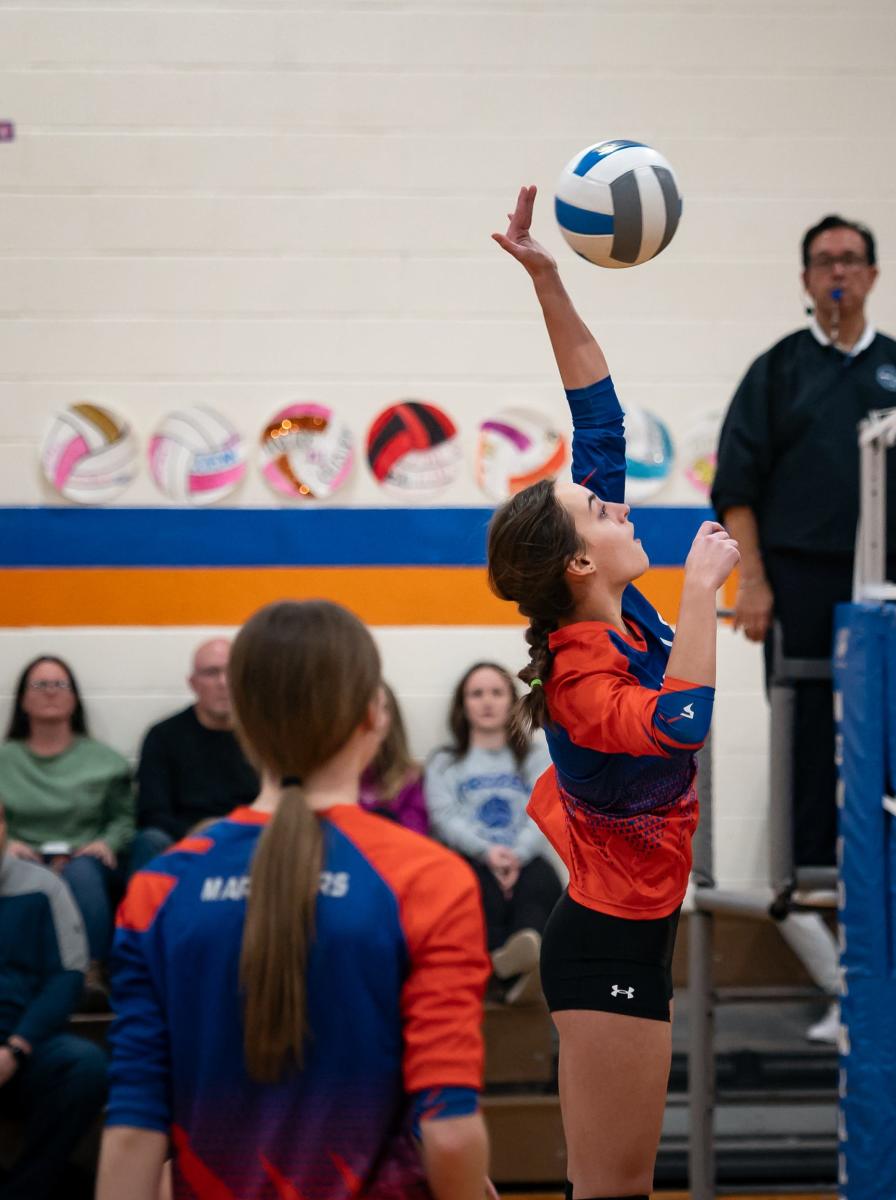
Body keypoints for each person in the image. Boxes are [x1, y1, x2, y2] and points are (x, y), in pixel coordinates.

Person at [486, 186, 739, 1200]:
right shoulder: (587, 678)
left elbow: (599, 409)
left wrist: (547, 276)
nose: (612, 499)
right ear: (580, 564)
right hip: (606, 952)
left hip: (635, 933)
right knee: (613, 1196)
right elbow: (683, 725)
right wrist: (706, 591)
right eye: (597, 505)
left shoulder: (606, 607)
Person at [97, 600, 491, 1200]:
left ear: (244, 723)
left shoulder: (161, 887)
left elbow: (132, 1132)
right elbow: (451, 1131)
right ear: (373, 715)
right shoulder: (428, 877)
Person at [711, 213, 896, 1042]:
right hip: (800, 586)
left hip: (890, 589)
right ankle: (840, 979)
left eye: (851, 259)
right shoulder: (777, 372)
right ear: (807, 276)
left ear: (875, 274)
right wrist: (754, 583)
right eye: (824, 261)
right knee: (807, 758)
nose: (838, 272)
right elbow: (736, 486)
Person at [0, 655, 134, 1001]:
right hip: (18, 856)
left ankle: (90, 973)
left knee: (84, 874)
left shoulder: (106, 760)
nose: (50, 693)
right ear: (22, 700)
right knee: (21, 875)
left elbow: (124, 817)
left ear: (74, 698)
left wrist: (107, 841)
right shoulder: (5, 760)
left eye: (60, 684)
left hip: (85, 857)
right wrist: (8, 842)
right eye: (39, 685)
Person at [425, 662, 560, 1002]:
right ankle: (506, 970)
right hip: (472, 857)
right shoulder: (445, 761)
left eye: (497, 693)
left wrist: (517, 854)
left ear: (512, 703)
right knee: (472, 886)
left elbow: (544, 808)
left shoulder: (536, 754)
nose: (487, 702)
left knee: (542, 880)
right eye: (477, 693)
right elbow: (444, 817)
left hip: (523, 855)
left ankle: (519, 957)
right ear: (463, 705)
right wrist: (488, 853)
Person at [0, 802, 108, 1198]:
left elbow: (67, 976)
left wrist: (15, 1048)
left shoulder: (44, 886)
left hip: (26, 1043)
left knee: (86, 1066)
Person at [131, 637, 259, 872]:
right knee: (149, 840)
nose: (223, 682)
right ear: (193, 683)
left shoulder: (264, 736)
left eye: (232, 672)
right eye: (212, 673)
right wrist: (199, 831)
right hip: (185, 841)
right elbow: (151, 812)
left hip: (252, 838)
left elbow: (283, 801)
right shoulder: (164, 736)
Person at [359, 683, 429, 834]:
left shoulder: (411, 777)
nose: (375, 717)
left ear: (393, 719)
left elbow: (415, 835)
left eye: (384, 708)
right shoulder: (336, 776)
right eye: (368, 706)